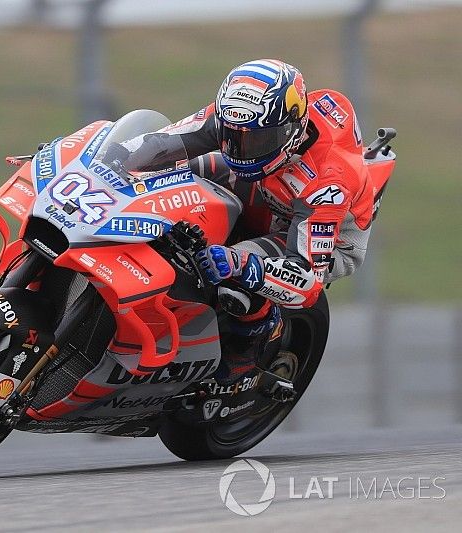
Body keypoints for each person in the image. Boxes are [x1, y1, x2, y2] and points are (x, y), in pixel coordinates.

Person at [107, 59, 376, 383]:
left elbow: (308, 283)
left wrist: (242, 265)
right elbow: (163, 142)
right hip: (271, 186)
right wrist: (111, 158)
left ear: (291, 129)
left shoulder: (328, 183)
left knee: (236, 270)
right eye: (232, 137)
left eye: (256, 141)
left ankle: (250, 345)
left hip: (322, 236)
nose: (241, 149)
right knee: (173, 173)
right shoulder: (244, 118)